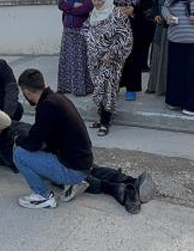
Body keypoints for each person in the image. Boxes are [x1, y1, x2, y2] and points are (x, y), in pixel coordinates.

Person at [14, 69, 154, 212]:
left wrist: (18, 140)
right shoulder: (57, 99)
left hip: (74, 169)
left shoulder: (46, 107)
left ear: (27, 92)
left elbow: (34, 143)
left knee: (19, 154)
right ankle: (127, 182)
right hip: (84, 161)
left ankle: (43, 196)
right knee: (82, 172)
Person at [85, 0, 133, 136]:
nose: (96, 2)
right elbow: (86, 30)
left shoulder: (117, 14)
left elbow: (125, 37)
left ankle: (105, 122)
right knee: (98, 88)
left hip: (110, 60)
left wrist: (111, 54)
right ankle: (103, 118)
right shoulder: (93, 14)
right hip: (94, 59)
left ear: (106, 0)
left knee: (106, 89)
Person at [105, 0, 148, 101]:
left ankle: (131, 88)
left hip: (133, 26)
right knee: (116, 57)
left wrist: (133, 9)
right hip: (116, 27)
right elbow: (102, 4)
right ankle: (115, 86)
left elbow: (147, 4)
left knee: (132, 58)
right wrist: (117, 9)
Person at [146, 0, 188, 96]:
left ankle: (175, 88)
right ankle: (160, 87)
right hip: (163, 28)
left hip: (180, 28)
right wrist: (157, 14)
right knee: (161, 56)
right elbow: (156, 2)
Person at [57, 0, 93, 96]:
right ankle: (66, 87)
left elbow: (84, 9)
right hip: (68, 32)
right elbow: (60, 5)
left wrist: (69, 9)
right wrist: (72, 5)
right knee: (67, 60)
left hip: (80, 33)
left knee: (79, 60)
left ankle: (81, 88)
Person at [139, 0, 163, 73]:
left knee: (149, 41)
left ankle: (147, 64)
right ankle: (143, 65)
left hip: (150, 15)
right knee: (146, 42)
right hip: (147, 16)